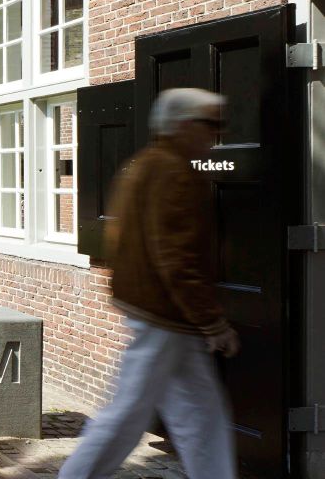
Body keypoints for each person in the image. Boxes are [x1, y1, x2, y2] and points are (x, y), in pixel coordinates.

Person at [60, 88, 238, 479]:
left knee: (199, 415)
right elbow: (175, 257)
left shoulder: (146, 165)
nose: (216, 135)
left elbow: (127, 242)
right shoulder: (174, 172)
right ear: (185, 125)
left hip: (162, 314)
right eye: (212, 125)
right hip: (164, 316)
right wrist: (211, 321)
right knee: (128, 414)